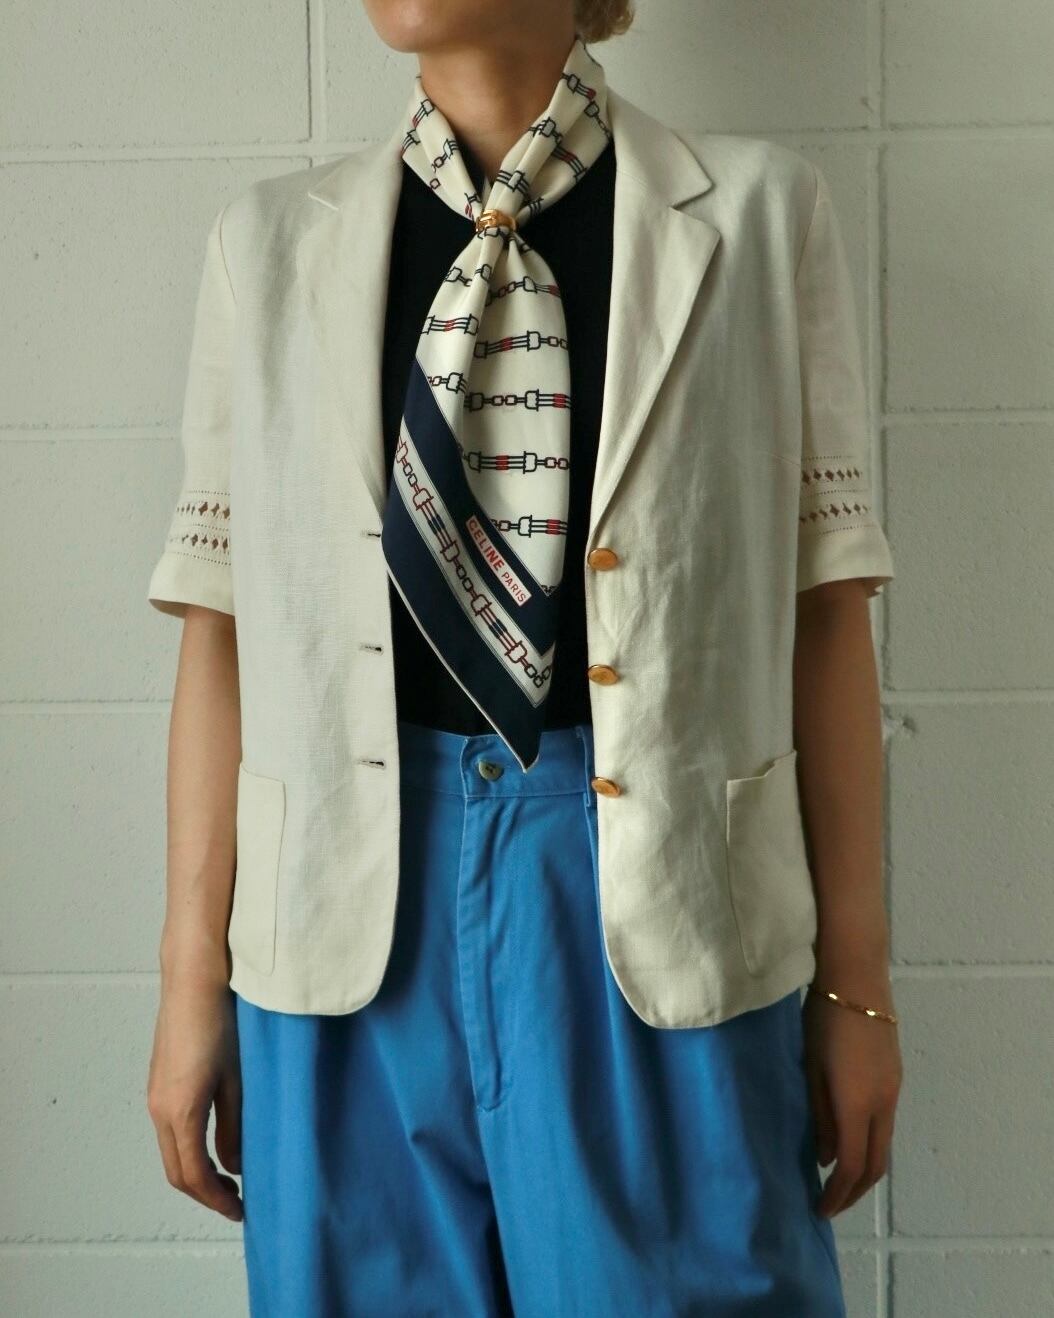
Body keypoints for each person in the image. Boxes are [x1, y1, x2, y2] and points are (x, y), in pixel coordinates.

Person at [146, 2, 903, 1313]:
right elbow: (222, 635)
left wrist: (859, 983)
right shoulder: (264, 245)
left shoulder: (760, 217)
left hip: (656, 889)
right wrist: (184, 982)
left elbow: (825, 614)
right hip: (342, 910)